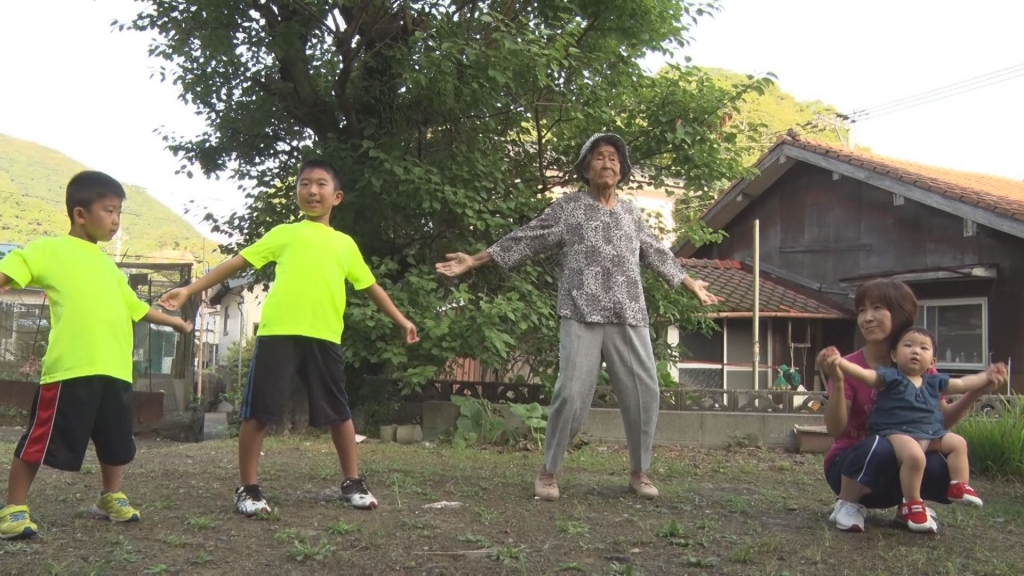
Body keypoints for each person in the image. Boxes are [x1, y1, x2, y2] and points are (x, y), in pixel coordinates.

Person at [436, 133, 720, 501]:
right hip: (580, 312)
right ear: (587, 169)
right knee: (571, 393)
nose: (608, 163)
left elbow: (655, 251)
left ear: (622, 170)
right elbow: (527, 237)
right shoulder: (569, 209)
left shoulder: (631, 213)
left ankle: (639, 472)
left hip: (628, 314)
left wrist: (689, 283)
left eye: (614, 159)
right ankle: (549, 471)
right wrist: (474, 260)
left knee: (644, 392)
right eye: (600, 157)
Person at [160, 159, 418, 516]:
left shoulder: (345, 245)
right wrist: (190, 290)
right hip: (278, 334)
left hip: (324, 336)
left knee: (339, 411)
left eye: (321, 184)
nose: (312, 191)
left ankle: (352, 482)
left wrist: (402, 321)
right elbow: (236, 263)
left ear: (337, 196)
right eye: (305, 184)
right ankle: (247, 489)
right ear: (297, 192)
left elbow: (371, 286)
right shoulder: (284, 233)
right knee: (258, 412)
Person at [0, 171, 193, 540]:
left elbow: (135, 308)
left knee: (115, 440)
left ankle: (110, 496)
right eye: (109, 211)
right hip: (70, 369)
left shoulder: (110, 268)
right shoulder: (47, 250)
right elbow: (8, 273)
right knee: (40, 438)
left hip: (115, 369)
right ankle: (14, 507)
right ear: (80, 214)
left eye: (119, 212)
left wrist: (175, 323)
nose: (116, 220)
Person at [817, 278, 997, 533]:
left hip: (899, 471)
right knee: (883, 445)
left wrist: (975, 391)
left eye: (877, 308)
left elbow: (938, 423)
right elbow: (836, 429)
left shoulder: (921, 369)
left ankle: (910, 504)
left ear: (900, 313)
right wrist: (837, 378)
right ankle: (847, 503)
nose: (867, 317)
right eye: (861, 310)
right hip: (851, 467)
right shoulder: (849, 366)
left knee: (940, 459)